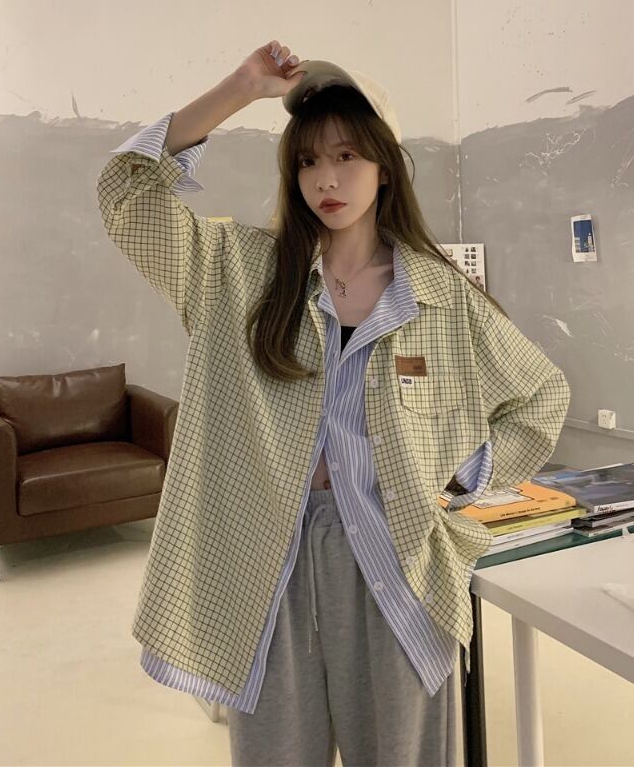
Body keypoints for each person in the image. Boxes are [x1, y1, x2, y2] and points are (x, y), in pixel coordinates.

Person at [97, 40, 571, 767]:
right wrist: (241, 87)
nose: (326, 178)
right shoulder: (237, 270)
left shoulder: (440, 295)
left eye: (347, 155)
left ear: (385, 166)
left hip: (396, 562)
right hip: (267, 562)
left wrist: (464, 472)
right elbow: (126, 193)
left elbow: (541, 395)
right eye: (308, 161)